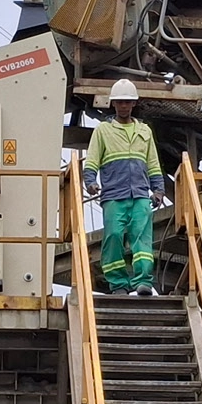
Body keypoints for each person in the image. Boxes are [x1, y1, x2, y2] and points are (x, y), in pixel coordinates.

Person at [82, 78, 166, 296]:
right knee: (113, 237)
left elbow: (153, 164)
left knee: (142, 238)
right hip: (113, 196)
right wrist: (90, 182)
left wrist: (158, 190)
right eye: (119, 102)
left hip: (140, 195)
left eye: (127, 102)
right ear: (113, 103)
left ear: (134, 103)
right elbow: (91, 161)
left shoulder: (144, 131)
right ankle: (118, 284)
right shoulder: (103, 131)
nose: (123, 106)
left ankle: (143, 281)